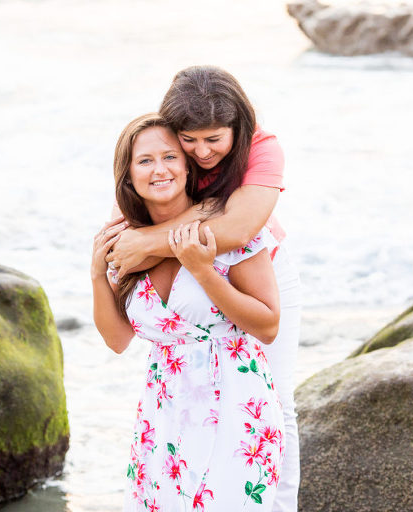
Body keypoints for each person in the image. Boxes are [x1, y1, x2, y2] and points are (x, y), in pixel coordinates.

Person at [105, 66, 302, 512]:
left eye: (214, 139)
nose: (202, 151)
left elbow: (237, 229)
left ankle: (278, 505)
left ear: (238, 128)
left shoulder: (262, 148)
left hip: (260, 260)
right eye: (190, 140)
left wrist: (147, 243)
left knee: (277, 393)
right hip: (189, 264)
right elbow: (129, 241)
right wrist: (195, 218)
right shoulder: (166, 149)